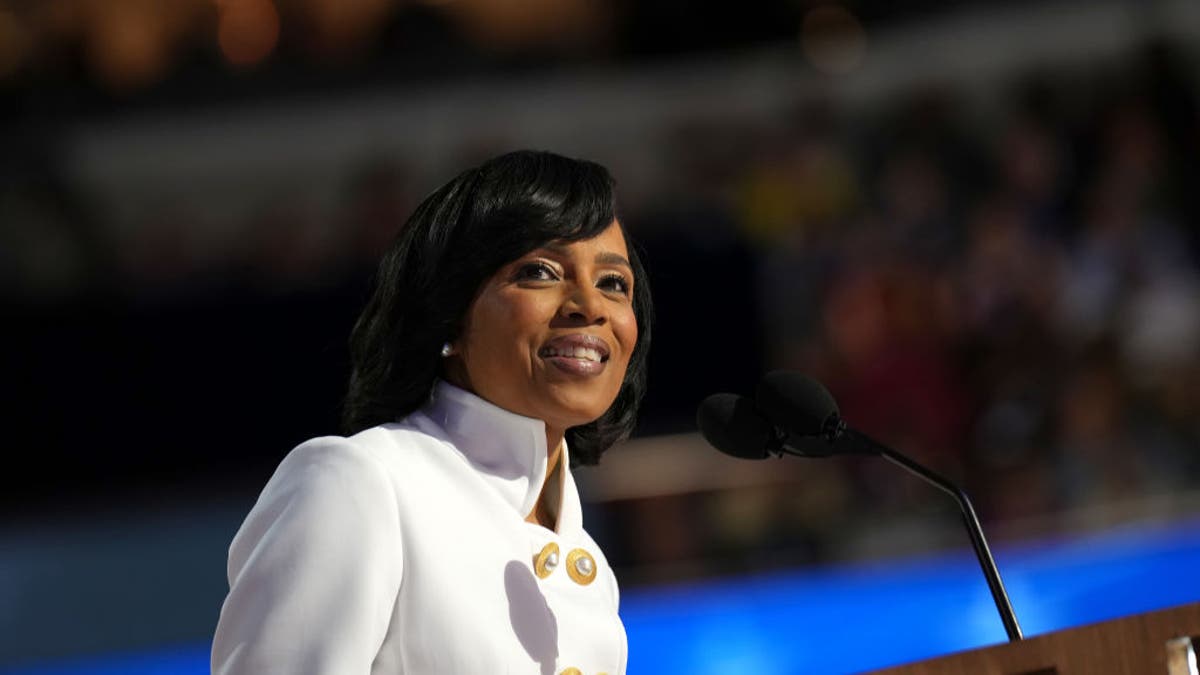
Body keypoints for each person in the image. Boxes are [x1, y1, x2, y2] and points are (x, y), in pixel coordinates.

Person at [211, 150, 653, 674]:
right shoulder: (363, 481)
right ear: (447, 316)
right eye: (539, 271)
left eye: (613, 283)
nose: (591, 305)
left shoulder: (591, 567)